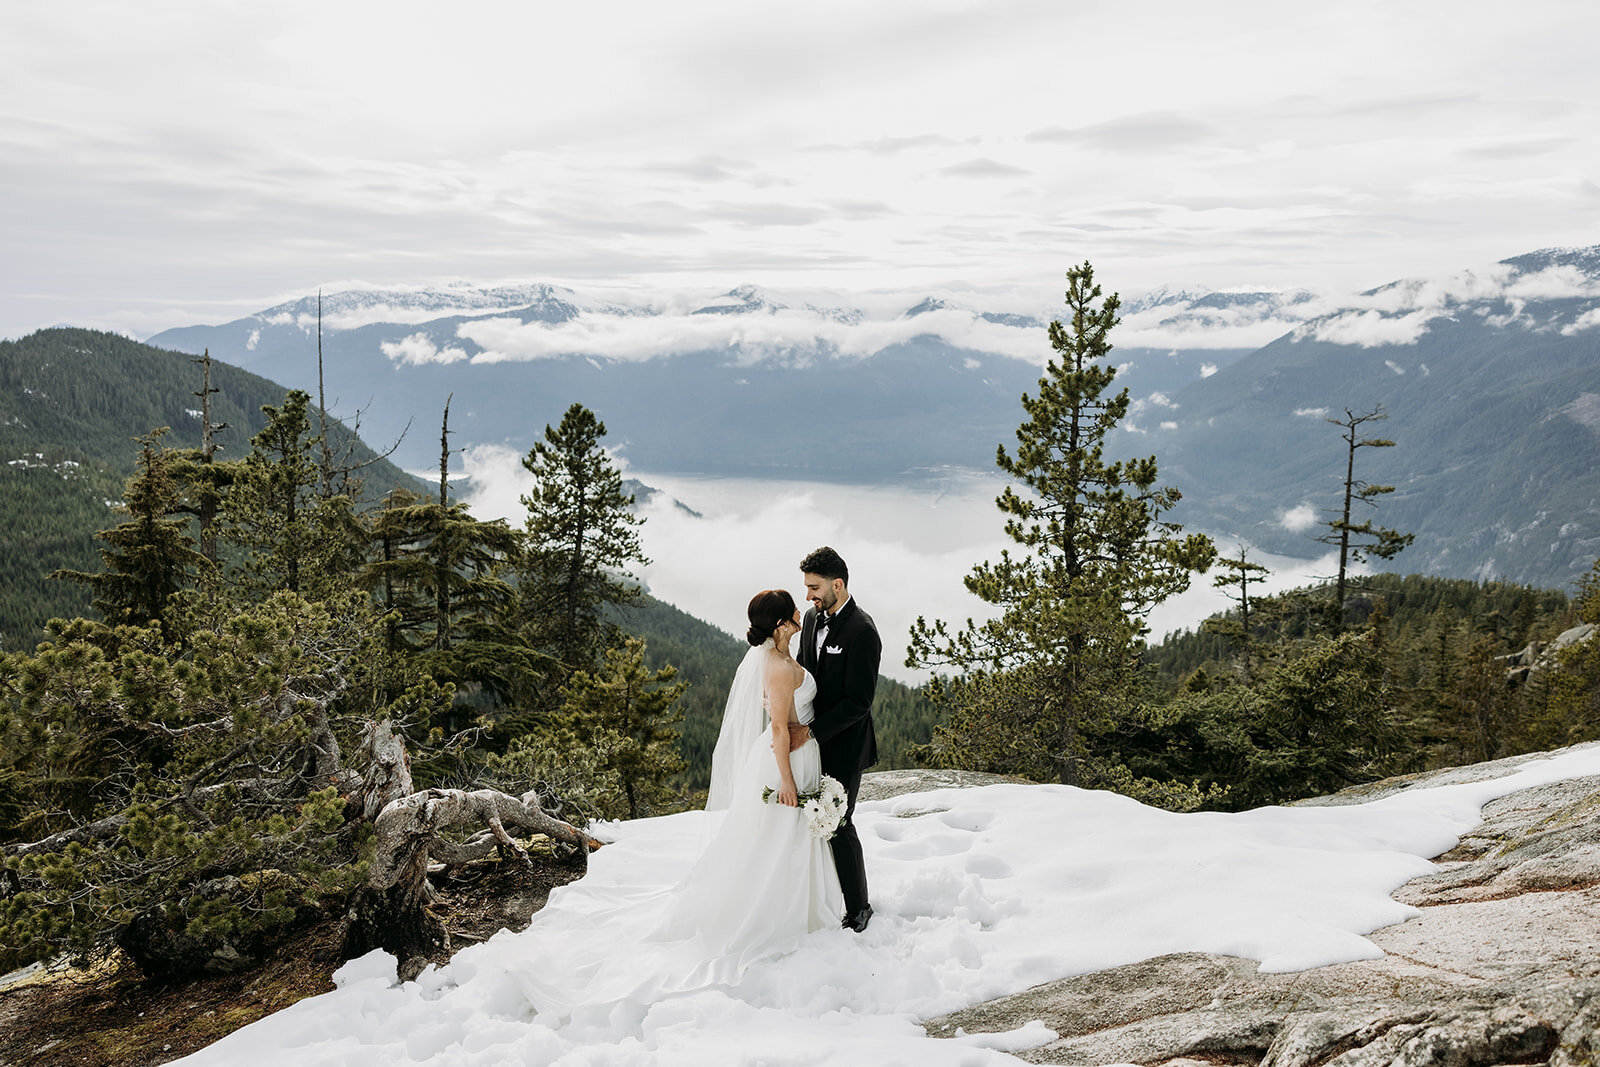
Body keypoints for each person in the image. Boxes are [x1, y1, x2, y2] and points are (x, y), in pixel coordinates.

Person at [505, 588, 843, 1019]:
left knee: (783, 839)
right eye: (793, 610)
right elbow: (779, 729)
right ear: (781, 625)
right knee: (776, 839)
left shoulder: (782, 656)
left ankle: (803, 905)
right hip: (786, 763)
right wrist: (789, 782)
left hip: (800, 754)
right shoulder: (776, 667)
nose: (801, 611)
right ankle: (776, 912)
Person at [795, 546, 881, 933]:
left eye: (814, 588)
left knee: (839, 823)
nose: (809, 596)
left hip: (844, 745)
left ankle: (859, 906)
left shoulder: (862, 631)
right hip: (809, 742)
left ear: (838, 584)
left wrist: (812, 732)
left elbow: (858, 703)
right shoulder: (813, 620)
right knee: (808, 821)